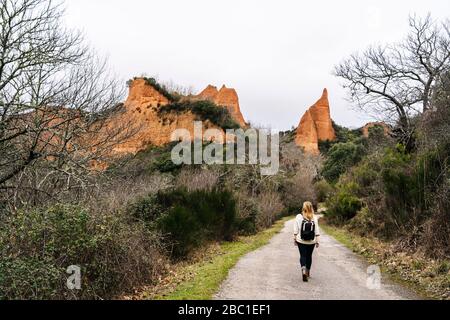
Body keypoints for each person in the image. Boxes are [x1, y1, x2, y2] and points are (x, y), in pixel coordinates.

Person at [293, 201, 320, 282]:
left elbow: (295, 229)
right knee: (309, 256)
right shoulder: (314, 217)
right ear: (311, 207)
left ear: (303, 207)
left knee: (303, 256)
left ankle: (303, 270)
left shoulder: (298, 216)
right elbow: (316, 230)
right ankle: (308, 272)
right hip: (311, 241)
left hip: (301, 240)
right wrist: (317, 241)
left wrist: (294, 238)